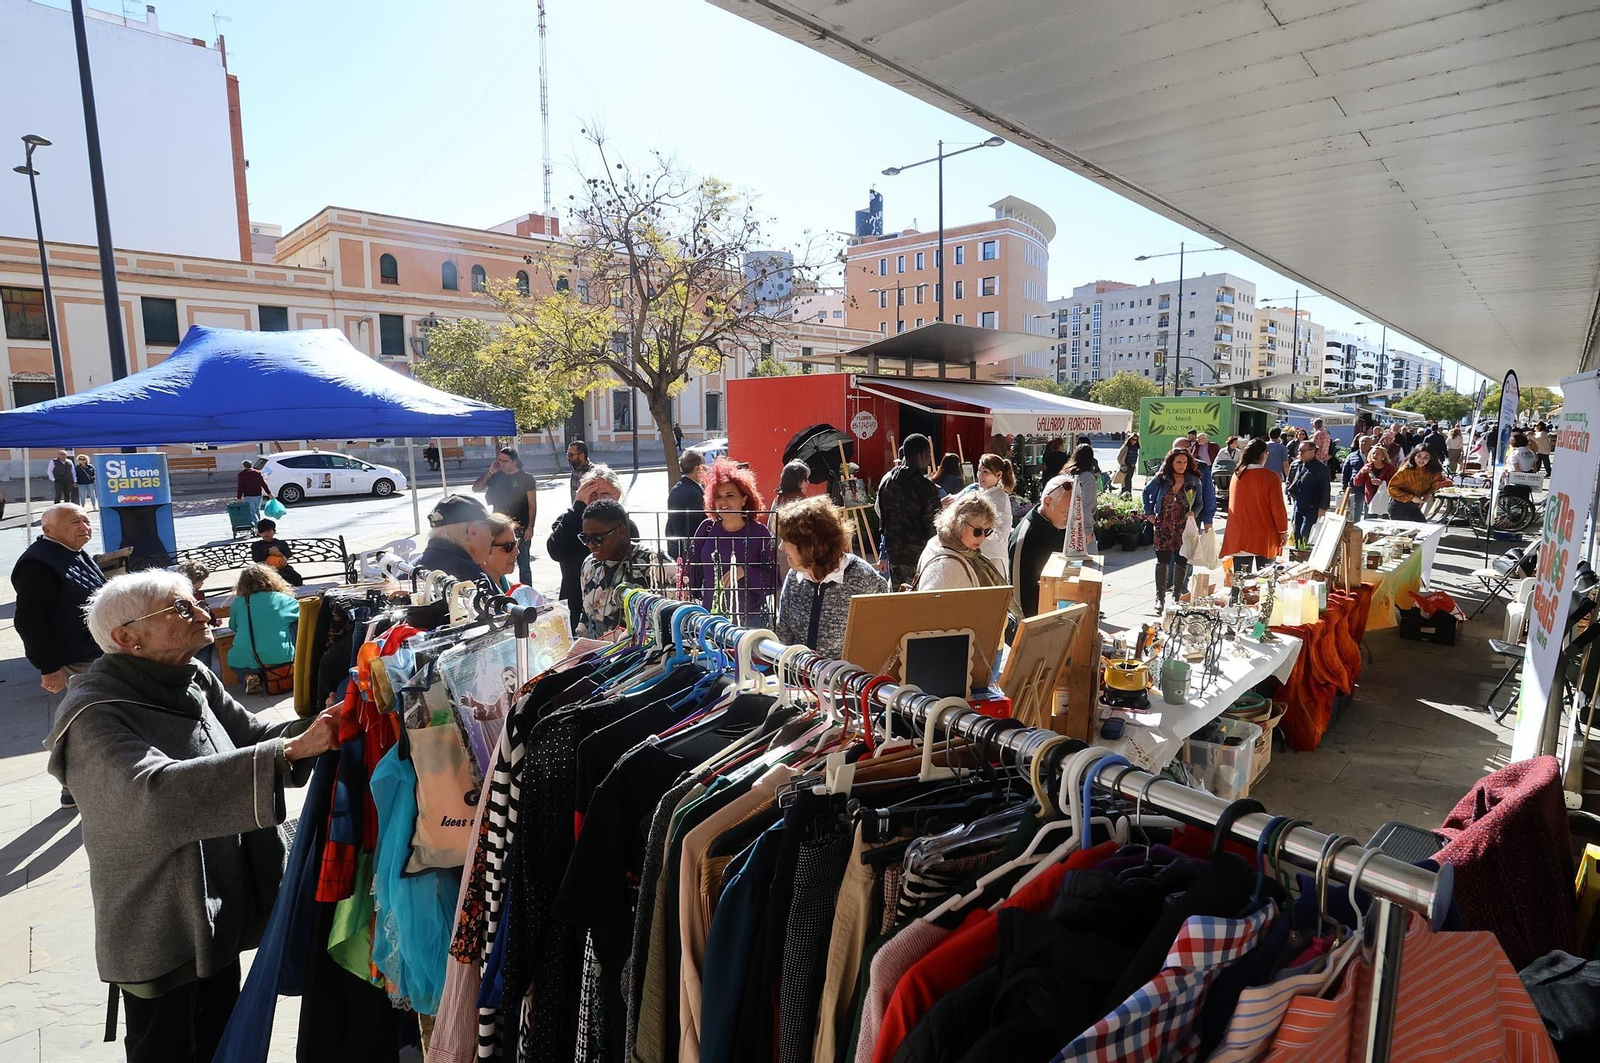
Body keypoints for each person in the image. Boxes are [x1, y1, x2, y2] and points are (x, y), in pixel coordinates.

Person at [47, 570, 337, 1063]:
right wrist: (287, 752)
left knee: (221, 1034)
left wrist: (323, 724)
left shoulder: (192, 676)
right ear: (127, 638)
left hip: (218, 898)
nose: (204, 614)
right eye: (181, 609)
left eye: (197, 601)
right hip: (158, 918)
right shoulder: (92, 715)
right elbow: (153, 796)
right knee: (166, 1046)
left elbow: (250, 737)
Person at [11, 502, 106, 805]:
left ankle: (80, 784)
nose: (83, 527)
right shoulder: (39, 563)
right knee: (86, 722)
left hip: (91, 649)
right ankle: (72, 785)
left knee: (94, 720)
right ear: (48, 530)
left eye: (86, 520)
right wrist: (48, 666)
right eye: (74, 522)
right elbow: (29, 620)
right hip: (73, 656)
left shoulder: (72, 551)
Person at [773, 496, 887, 658]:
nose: (781, 547)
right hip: (798, 679)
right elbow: (783, 633)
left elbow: (883, 637)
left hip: (846, 680)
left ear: (810, 545)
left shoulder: (863, 578)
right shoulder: (794, 577)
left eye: (786, 541)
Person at [688, 459, 776, 622]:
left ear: (744, 499)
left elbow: (774, 582)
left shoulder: (759, 532)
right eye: (718, 497)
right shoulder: (706, 528)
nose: (723, 502)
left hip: (749, 622)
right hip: (710, 619)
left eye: (730, 495)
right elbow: (692, 571)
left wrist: (745, 572)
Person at [576, 498, 672, 638]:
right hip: (598, 656)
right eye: (585, 538)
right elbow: (586, 616)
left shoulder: (654, 561)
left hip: (643, 656)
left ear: (621, 532)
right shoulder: (589, 564)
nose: (590, 545)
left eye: (597, 538)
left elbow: (674, 615)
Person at [548, 465, 630, 625]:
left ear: (617, 495)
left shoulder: (625, 525)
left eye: (605, 494)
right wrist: (578, 506)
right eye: (592, 494)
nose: (598, 499)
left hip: (616, 612)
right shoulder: (569, 520)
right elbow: (555, 551)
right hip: (574, 606)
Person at [875, 433, 942, 589]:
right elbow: (934, 526)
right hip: (919, 556)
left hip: (894, 554)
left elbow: (882, 519)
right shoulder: (926, 487)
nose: (930, 457)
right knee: (918, 602)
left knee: (898, 601)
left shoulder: (887, 482)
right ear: (922, 454)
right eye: (928, 453)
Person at [1142, 449, 1204, 611]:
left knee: (1181, 560)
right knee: (1162, 560)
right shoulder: (1162, 478)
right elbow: (1146, 491)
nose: (1181, 466)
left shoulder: (1194, 480)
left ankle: (1177, 597)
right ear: (1171, 462)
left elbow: (1199, 503)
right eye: (1178, 462)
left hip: (1183, 526)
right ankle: (1159, 598)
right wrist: (1149, 513)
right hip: (1163, 524)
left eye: (1184, 462)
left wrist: (1194, 512)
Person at [226, 563, 301, 695]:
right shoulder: (283, 599)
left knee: (247, 633)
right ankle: (292, 665)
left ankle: (251, 674)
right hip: (278, 657)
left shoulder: (238, 602)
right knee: (293, 625)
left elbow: (233, 626)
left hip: (239, 659)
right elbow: (304, 617)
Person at [1009, 475, 1075, 617]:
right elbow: (1019, 596)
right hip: (1034, 619)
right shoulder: (1026, 536)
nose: (1069, 518)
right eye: (1065, 512)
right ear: (1047, 501)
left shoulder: (1056, 525)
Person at [1220, 439, 1288, 576]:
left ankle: (1235, 598)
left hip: (1240, 535)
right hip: (1264, 536)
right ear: (1264, 454)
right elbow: (1278, 509)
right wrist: (1283, 531)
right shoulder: (1271, 477)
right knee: (1265, 582)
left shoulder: (1237, 475)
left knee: (1239, 582)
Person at [473, 446, 538, 586]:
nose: (500, 464)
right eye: (499, 460)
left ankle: (527, 593)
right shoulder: (496, 476)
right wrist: (490, 472)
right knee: (497, 561)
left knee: (524, 564)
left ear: (514, 462)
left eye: (504, 461)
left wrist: (530, 527)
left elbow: (532, 504)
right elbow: (476, 488)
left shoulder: (526, 478)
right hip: (498, 527)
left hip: (521, 527)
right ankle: (500, 589)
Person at [914, 494, 1008, 591]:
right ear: (958, 524)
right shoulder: (946, 566)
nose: (983, 537)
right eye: (978, 531)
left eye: (987, 531)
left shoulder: (940, 542)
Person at [417, 494, 502, 583]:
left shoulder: (411, 567)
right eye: (491, 530)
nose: (492, 538)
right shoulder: (472, 576)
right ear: (473, 532)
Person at [972, 453, 1015, 574]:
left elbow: (1001, 534)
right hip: (979, 555)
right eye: (979, 470)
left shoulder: (1000, 497)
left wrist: (979, 530)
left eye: (985, 471)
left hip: (993, 558)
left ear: (998, 475)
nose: (980, 475)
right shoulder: (979, 493)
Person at [1286, 441, 1332, 549]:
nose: (1300, 453)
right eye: (1299, 451)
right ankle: (1298, 553)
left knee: (1305, 532)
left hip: (1312, 507)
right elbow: (1292, 481)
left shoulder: (1320, 469)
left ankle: (1305, 553)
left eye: (1303, 451)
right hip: (1299, 504)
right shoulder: (1297, 465)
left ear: (1313, 452)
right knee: (1296, 531)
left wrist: (1323, 507)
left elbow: (1325, 489)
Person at [665, 450, 709, 560]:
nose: (707, 469)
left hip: (676, 547)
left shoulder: (677, 488)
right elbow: (696, 527)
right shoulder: (694, 493)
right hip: (689, 552)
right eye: (705, 466)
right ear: (697, 468)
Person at [1386, 446, 1448, 522]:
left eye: (1426, 457)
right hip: (1399, 506)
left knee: (1421, 529)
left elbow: (1434, 484)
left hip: (1414, 507)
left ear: (1430, 458)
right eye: (1419, 456)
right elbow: (1391, 488)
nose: (1422, 460)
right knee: (1406, 532)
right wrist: (1411, 497)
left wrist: (1429, 493)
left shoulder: (1431, 471)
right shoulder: (1406, 470)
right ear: (1414, 456)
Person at [1063, 441, 1099, 554]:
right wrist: (1088, 531)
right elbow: (1085, 506)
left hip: (1064, 523)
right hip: (1080, 527)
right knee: (1091, 565)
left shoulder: (1067, 473)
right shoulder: (1088, 478)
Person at [250, 519, 304, 587]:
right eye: (262, 531)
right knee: (262, 583)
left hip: (282, 568)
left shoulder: (281, 543)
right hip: (265, 569)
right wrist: (268, 551)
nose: (266, 533)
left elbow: (288, 553)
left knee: (296, 579)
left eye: (268, 531)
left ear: (274, 531)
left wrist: (280, 553)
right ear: (259, 533)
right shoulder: (256, 545)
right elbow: (256, 558)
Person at [481, 512, 524, 591]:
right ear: (483, 549)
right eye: (508, 546)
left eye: (516, 544)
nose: (516, 552)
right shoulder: (471, 596)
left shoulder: (515, 591)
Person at [1352, 444, 1396, 512]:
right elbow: (1356, 483)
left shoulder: (1390, 468)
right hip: (1370, 500)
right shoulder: (1367, 467)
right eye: (1373, 453)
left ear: (1383, 457)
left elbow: (1395, 484)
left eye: (1378, 454)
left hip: (1385, 500)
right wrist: (1362, 473)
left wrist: (1382, 483)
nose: (1375, 455)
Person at [1500, 431, 1540, 503]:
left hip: (1516, 478)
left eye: (1512, 440)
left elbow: (1517, 469)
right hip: (1528, 476)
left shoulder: (1516, 453)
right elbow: (1535, 468)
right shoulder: (1530, 452)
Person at [1339, 435, 1371, 522]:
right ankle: (1356, 527)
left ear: (1371, 443)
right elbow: (1345, 472)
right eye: (1362, 442)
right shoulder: (1352, 456)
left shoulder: (1374, 455)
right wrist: (1344, 486)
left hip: (1370, 486)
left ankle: (1367, 528)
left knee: (1368, 508)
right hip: (1356, 486)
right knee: (1357, 508)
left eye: (1366, 442)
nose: (1364, 444)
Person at [235, 460, 271, 525]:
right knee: (257, 511)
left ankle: (258, 526)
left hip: (248, 495)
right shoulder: (257, 473)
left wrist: (239, 497)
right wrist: (269, 493)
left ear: (244, 466)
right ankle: (260, 526)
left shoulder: (241, 474)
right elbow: (263, 483)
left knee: (252, 512)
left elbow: (240, 487)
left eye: (241, 466)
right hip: (258, 495)